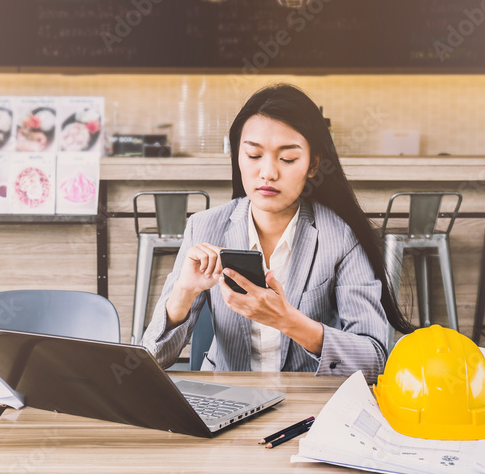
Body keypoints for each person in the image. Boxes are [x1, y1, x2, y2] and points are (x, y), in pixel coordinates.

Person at [142, 84, 414, 376]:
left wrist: (287, 320)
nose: (268, 173)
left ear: (313, 165)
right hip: (229, 399)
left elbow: (373, 361)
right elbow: (153, 358)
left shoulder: (341, 237)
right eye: (253, 155)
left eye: (287, 159)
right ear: (238, 157)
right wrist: (184, 292)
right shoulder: (204, 227)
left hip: (307, 405)